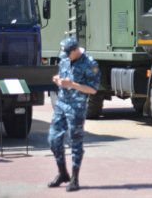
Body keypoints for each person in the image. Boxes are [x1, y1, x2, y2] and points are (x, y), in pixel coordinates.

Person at [48, 37, 100, 192]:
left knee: (75, 142)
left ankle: (74, 179)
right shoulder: (64, 58)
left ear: (75, 50)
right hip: (61, 104)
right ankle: (62, 172)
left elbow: (93, 89)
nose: (65, 55)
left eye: (68, 53)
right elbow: (61, 75)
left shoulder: (90, 63)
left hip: (76, 107)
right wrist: (57, 80)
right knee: (53, 139)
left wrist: (72, 84)